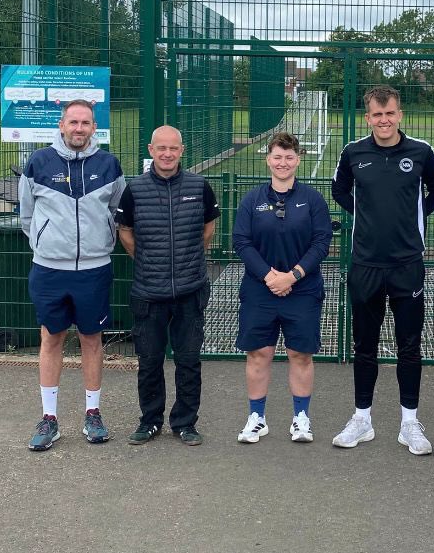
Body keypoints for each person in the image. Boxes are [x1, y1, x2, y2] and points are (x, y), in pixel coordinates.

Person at [330, 85, 434, 454]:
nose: (384, 120)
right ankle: (362, 418)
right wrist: (368, 215)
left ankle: (409, 422)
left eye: (390, 113)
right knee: (365, 344)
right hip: (365, 263)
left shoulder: (422, 152)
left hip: (407, 263)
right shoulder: (353, 152)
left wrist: (411, 220)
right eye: (377, 115)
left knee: (409, 345)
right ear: (368, 118)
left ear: (400, 114)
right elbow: (340, 191)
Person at [18, 99, 125, 451]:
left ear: (95, 128)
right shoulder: (38, 163)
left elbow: (117, 211)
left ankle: (92, 413)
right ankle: (49, 418)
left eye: (86, 123)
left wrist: (100, 240)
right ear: (62, 125)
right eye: (73, 122)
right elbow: (26, 215)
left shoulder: (109, 165)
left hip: (94, 270)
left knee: (92, 340)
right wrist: (45, 242)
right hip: (49, 269)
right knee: (51, 337)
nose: (79, 129)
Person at [116, 125, 220, 448]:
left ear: (182, 150)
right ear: (150, 150)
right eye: (161, 148)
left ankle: (185, 423)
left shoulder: (199, 186)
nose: (167, 154)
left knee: (189, 360)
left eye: (173, 148)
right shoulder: (134, 190)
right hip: (149, 293)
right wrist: (148, 261)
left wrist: (187, 262)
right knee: (149, 361)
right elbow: (125, 233)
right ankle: (150, 421)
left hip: (190, 290)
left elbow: (208, 228)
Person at [232, 133, 333, 444]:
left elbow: (321, 243)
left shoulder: (313, 200)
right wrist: (269, 276)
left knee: (299, 353)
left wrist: (294, 275)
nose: (283, 162)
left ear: (298, 160)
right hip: (260, 289)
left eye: (289, 157)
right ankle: (257, 418)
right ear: (268, 160)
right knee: (259, 352)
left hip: (301, 289)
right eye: (277, 156)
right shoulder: (252, 200)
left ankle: (301, 419)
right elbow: (241, 242)